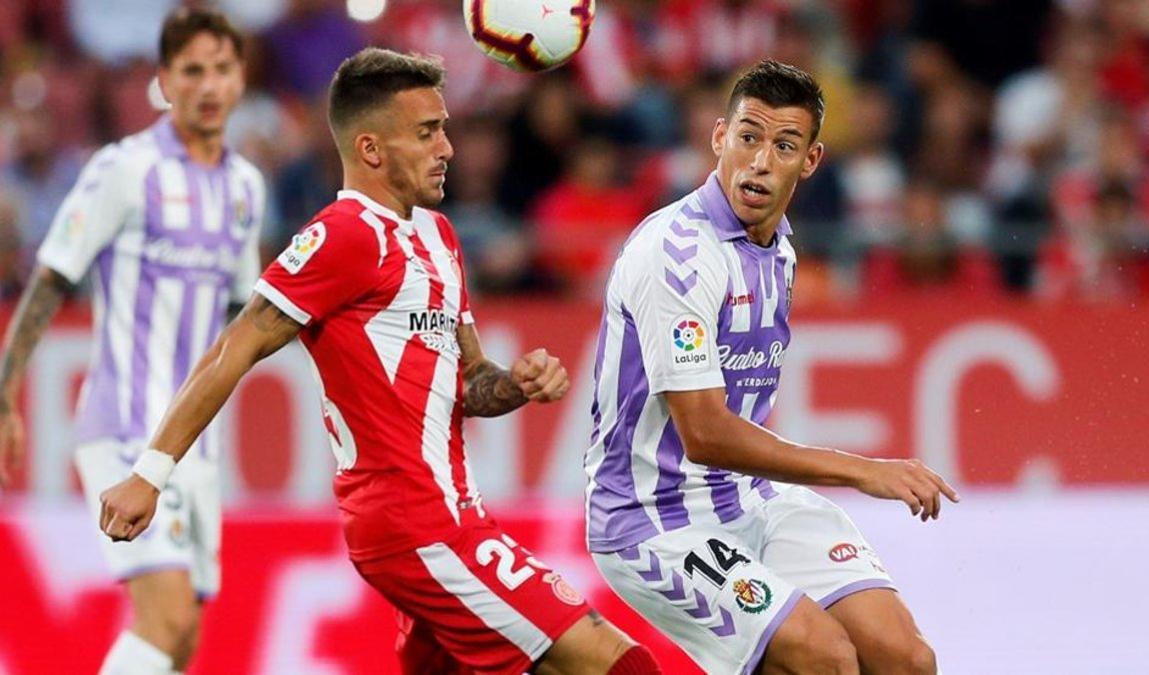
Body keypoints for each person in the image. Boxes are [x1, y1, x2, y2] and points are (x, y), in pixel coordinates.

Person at [96, 48, 661, 675]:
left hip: (449, 512)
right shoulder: (344, 235)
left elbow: (470, 383)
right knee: (620, 665)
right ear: (370, 150)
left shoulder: (439, 237)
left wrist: (515, 385)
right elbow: (236, 346)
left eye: (444, 128)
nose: (447, 147)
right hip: (415, 525)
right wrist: (150, 473)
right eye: (427, 132)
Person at [585, 60, 958, 675]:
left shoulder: (778, 245)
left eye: (783, 145)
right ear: (718, 138)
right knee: (824, 658)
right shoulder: (676, 254)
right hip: (654, 520)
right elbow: (703, 434)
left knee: (906, 659)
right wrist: (862, 471)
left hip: (752, 500)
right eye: (748, 137)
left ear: (809, 161)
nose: (759, 160)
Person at [0, 9, 264, 675]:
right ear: (165, 82)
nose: (209, 85)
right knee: (165, 615)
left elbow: (245, 314)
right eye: (192, 71)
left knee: (181, 638)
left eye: (222, 69)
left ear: (241, 79)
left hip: (195, 445)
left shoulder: (244, 188)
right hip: (123, 429)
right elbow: (51, 277)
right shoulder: (125, 168)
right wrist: (4, 394)